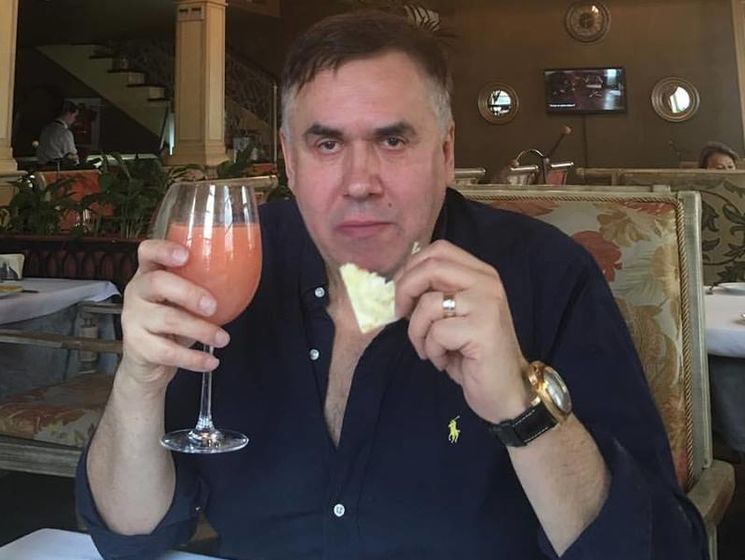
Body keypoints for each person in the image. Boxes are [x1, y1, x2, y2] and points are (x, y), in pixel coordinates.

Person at [76, 11, 707, 560]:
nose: (360, 182)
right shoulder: (232, 265)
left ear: (446, 152)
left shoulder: (546, 274)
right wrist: (139, 382)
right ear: (289, 159)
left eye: (394, 140)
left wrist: (522, 407)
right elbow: (131, 535)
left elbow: (663, 549)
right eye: (327, 144)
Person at [35, 100, 79, 166]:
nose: (74, 120)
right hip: (58, 168)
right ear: (68, 114)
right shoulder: (65, 133)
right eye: (74, 116)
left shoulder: (45, 129)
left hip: (42, 167)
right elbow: (72, 157)